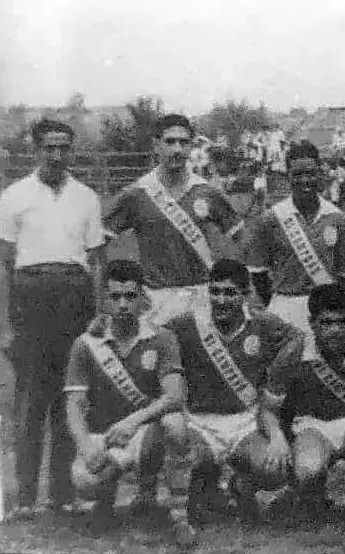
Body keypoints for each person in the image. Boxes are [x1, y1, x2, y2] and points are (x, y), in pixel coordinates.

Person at [0, 119, 105, 520]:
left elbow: (97, 261)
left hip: (74, 301)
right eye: (50, 148)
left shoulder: (86, 197)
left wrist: (98, 313)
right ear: (37, 150)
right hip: (31, 302)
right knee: (31, 400)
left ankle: (63, 493)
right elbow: (4, 265)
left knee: (70, 397)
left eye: (64, 147)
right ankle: (26, 497)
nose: (57, 155)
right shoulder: (14, 196)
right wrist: (5, 324)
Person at [64, 260, 196, 546]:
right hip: (106, 435)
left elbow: (175, 395)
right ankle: (104, 504)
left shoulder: (162, 338)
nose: (123, 304)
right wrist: (85, 445)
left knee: (175, 424)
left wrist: (133, 421)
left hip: (145, 434)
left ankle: (177, 515)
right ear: (104, 299)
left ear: (143, 298)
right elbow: (74, 404)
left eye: (130, 296)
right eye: (115, 297)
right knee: (85, 480)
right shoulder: (86, 344)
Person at [164, 259, 305, 524]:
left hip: (244, 424)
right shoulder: (188, 323)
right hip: (200, 424)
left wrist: (274, 383)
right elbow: (154, 334)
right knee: (185, 461)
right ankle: (204, 489)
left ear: (245, 294)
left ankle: (242, 485)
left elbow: (296, 338)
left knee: (275, 470)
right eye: (215, 292)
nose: (221, 300)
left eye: (230, 293)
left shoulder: (262, 323)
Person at [260, 283, 345, 520]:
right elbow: (268, 409)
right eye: (326, 323)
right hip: (313, 426)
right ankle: (314, 495)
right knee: (308, 468)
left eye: (341, 322)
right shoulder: (293, 352)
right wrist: (278, 438)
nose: (335, 331)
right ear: (311, 323)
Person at [104, 114, 246, 325]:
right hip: (156, 300)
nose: (177, 149)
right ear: (156, 145)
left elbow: (243, 238)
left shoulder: (206, 191)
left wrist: (243, 285)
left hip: (200, 298)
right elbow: (99, 242)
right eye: (170, 142)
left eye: (184, 142)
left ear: (191, 146)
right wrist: (108, 293)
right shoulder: (138, 193)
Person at [245, 142, 345, 336]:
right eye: (297, 174)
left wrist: (329, 305)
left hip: (325, 312)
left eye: (310, 173)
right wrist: (279, 303)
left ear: (320, 173)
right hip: (284, 307)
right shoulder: (271, 218)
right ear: (287, 176)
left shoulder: (337, 218)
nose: (304, 180)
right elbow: (259, 274)